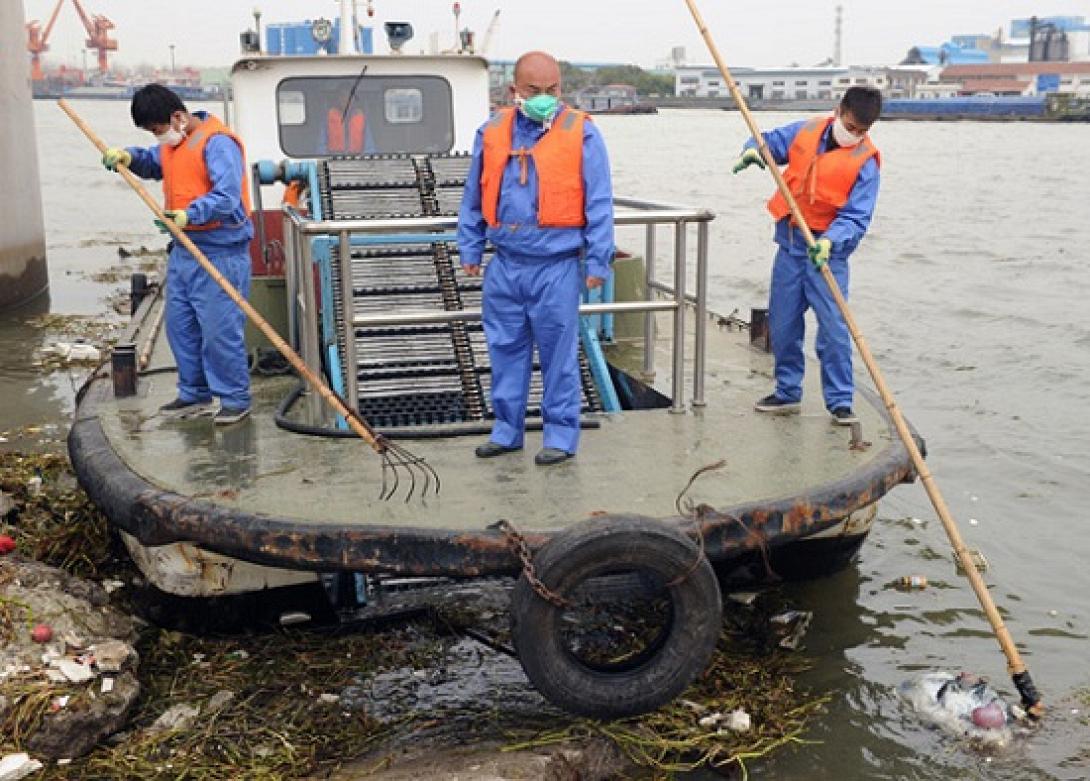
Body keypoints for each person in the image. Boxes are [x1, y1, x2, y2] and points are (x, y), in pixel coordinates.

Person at [457, 50, 614, 466]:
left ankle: (561, 436)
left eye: (552, 90)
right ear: (515, 91)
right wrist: (470, 246)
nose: (545, 97)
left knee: (559, 356)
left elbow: (599, 202)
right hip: (505, 262)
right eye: (534, 90)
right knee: (504, 351)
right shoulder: (491, 132)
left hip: (556, 265)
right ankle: (506, 431)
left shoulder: (583, 133)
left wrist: (599, 261)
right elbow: (473, 195)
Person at [102, 84, 254, 425]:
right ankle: (194, 393)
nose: (159, 137)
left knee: (220, 330)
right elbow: (152, 161)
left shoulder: (218, 143)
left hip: (220, 252)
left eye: (158, 130)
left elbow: (227, 196)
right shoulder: (174, 145)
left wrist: (190, 214)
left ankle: (234, 399)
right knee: (181, 327)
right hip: (184, 252)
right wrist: (128, 157)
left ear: (177, 117)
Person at [733, 86, 882, 425]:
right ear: (839, 111)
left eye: (863, 131)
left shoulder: (866, 162)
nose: (854, 135)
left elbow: (857, 217)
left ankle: (840, 401)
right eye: (851, 127)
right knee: (782, 323)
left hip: (827, 253)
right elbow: (769, 141)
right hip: (790, 244)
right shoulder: (807, 130)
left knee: (833, 330)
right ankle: (787, 392)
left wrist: (830, 241)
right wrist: (753, 151)